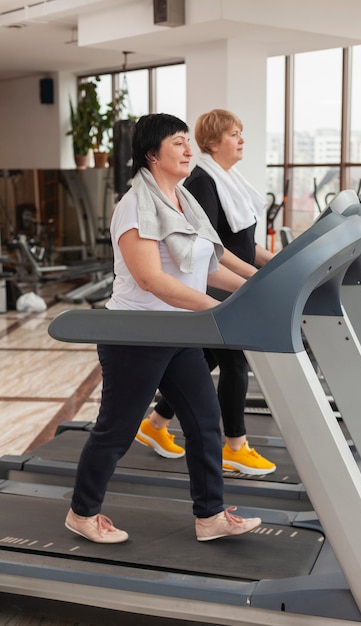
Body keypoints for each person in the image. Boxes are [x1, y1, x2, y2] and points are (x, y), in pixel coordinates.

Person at [64, 113, 262, 544]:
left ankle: (210, 517)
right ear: (152, 153)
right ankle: (82, 513)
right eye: (178, 143)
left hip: (178, 333)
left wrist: (259, 286)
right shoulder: (135, 204)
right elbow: (152, 280)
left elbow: (210, 265)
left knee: (206, 422)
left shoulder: (183, 201)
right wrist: (219, 312)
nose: (189, 149)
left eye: (189, 142)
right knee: (116, 430)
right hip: (136, 335)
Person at [136, 109, 276, 475]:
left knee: (210, 359)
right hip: (216, 287)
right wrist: (248, 282)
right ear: (213, 142)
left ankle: (154, 423)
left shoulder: (231, 183)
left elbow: (241, 244)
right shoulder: (202, 183)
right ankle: (235, 446)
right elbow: (210, 251)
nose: (241, 140)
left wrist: (272, 265)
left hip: (231, 284)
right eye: (234, 134)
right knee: (233, 362)